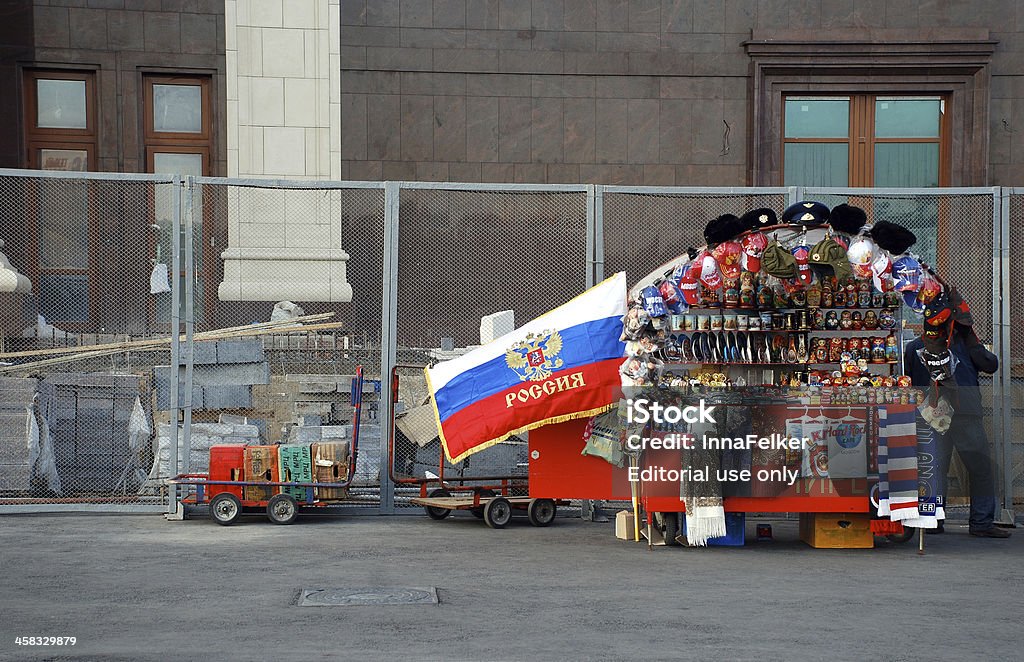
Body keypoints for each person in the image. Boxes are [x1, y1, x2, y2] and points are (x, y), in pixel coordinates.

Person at [905, 312, 1010, 538]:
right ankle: (981, 522)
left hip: (931, 413)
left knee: (934, 467)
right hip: (965, 412)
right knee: (980, 468)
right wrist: (973, 341)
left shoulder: (915, 346)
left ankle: (933, 518)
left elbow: (910, 381)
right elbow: (991, 364)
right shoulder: (964, 345)